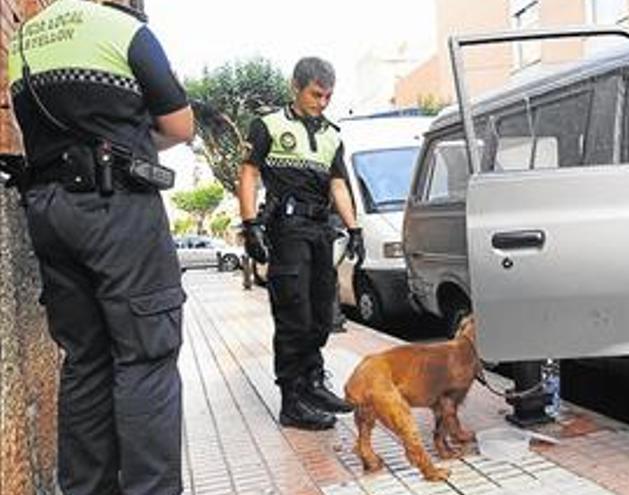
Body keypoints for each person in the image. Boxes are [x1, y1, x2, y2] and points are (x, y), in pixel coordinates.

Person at [7, 1, 193, 493]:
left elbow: (31, 137)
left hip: (49, 208)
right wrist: (130, 143)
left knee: (85, 358)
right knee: (145, 355)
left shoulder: (24, 38)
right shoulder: (122, 29)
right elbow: (180, 126)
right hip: (117, 208)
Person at [238, 57, 364, 430]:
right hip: (287, 229)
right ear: (296, 87)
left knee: (321, 316)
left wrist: (354, 228)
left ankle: (312, 383)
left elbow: (337, 184)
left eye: (328, 96)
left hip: (320, 229)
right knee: (294, 316)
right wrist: (250, 225)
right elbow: (248, 173)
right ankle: (292, 401)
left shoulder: (332, 134)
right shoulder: (269, 125)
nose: (322, 102)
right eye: (316, 94)